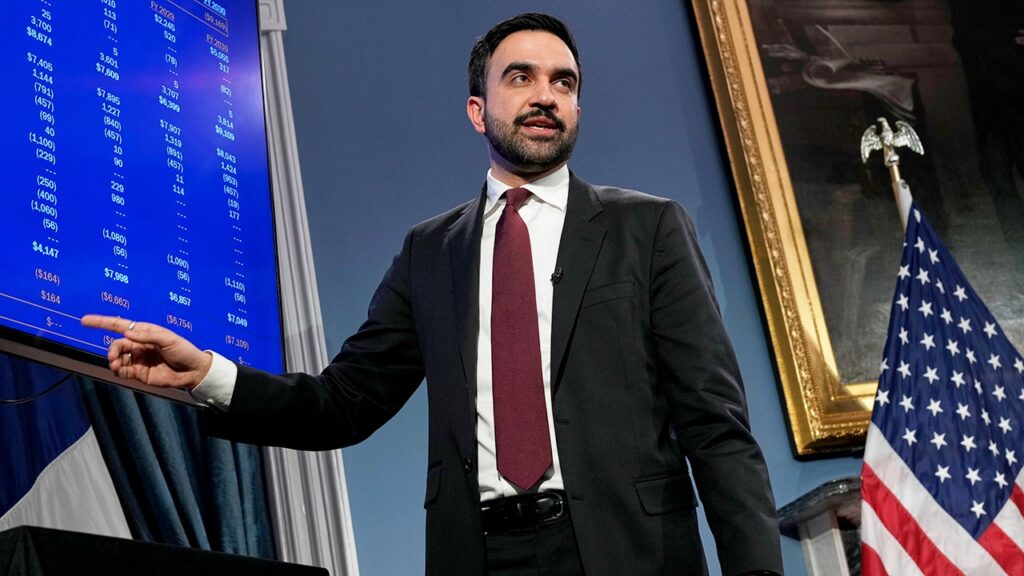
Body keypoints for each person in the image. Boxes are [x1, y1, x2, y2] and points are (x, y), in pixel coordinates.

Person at [83, 13, 783, 576]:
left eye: (564, 82)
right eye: (521, 77)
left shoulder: (648, 229)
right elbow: (342, 403)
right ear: (478, 110)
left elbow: (715, 424)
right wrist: (207, 375)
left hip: (630, 552)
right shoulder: (430, 252)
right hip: (480, 554)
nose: (546, 95)